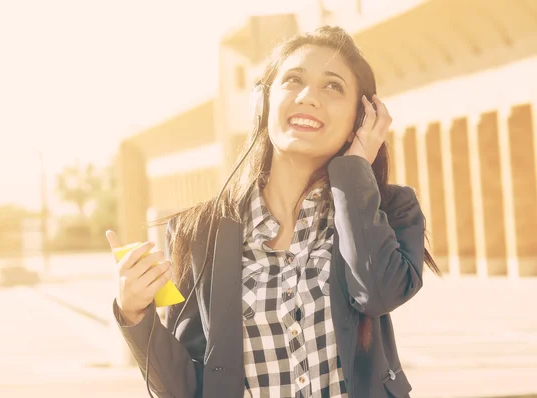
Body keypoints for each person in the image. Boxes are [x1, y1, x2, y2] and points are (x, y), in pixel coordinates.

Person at [106, 25, 440, 398]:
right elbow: (186, 389)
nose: (308, 97)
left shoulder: (388, 210)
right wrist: (134, 313)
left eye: (333, 86)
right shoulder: (199, 232)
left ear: (359, 121)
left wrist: (356, 167)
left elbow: (376, 293)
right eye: (293, 80)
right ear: (263, 104)